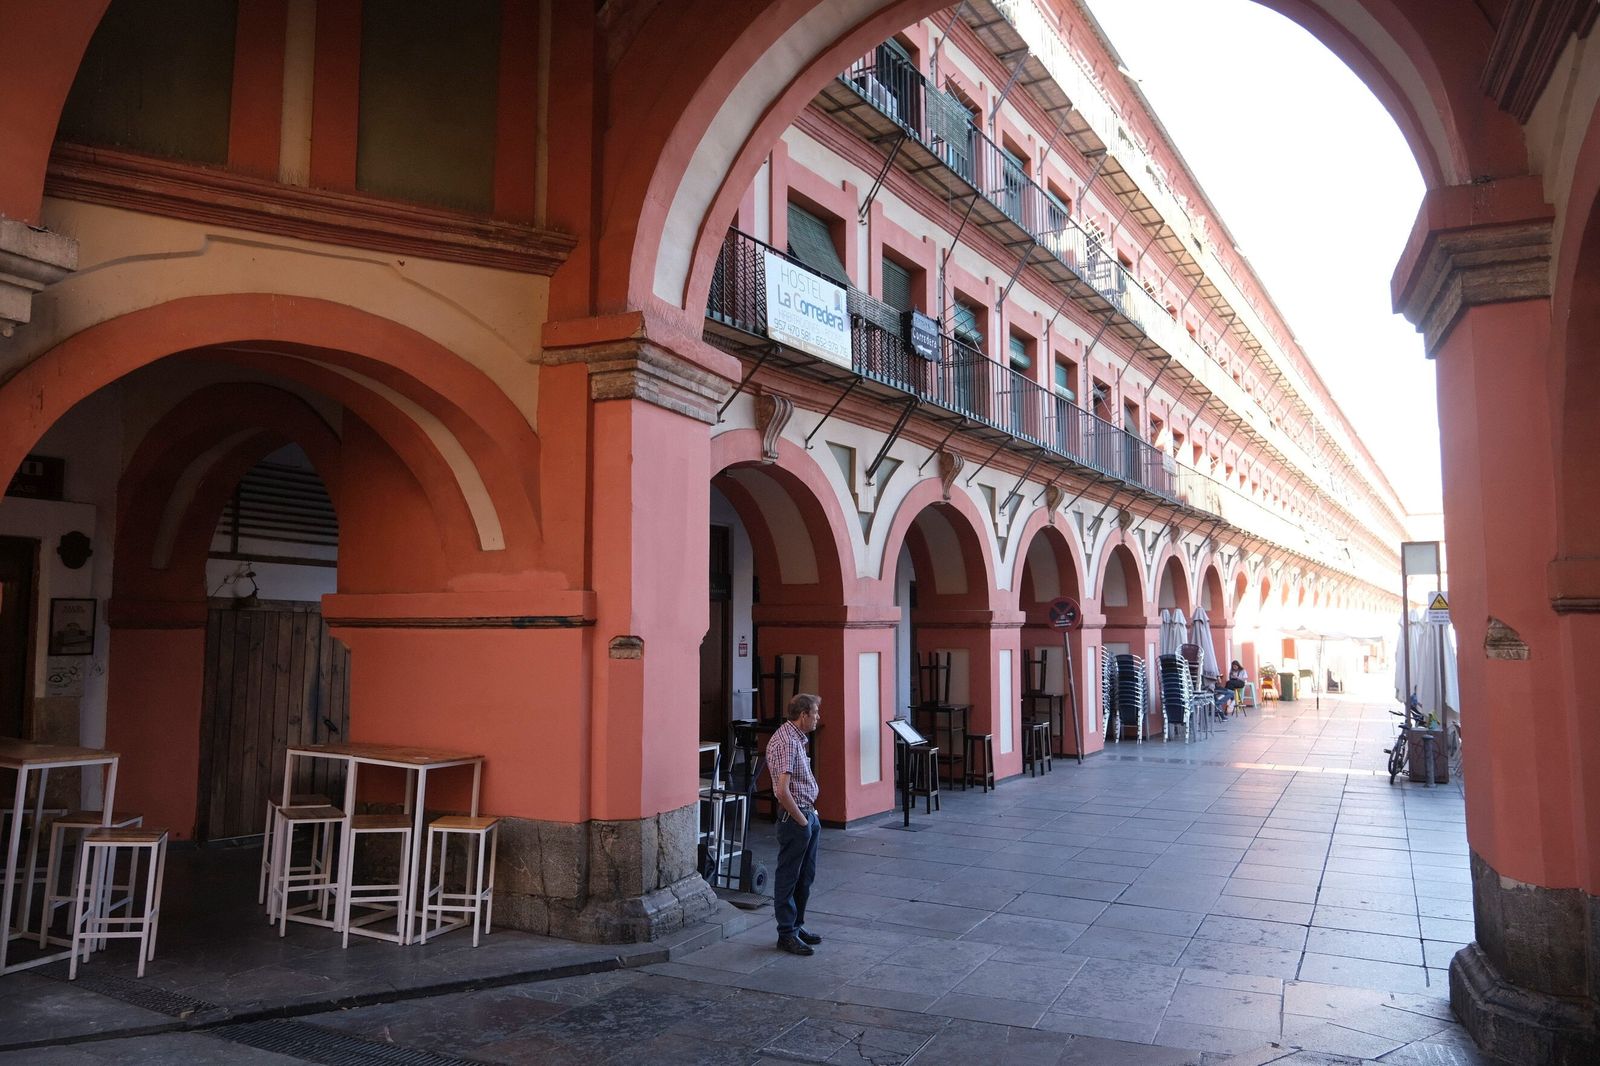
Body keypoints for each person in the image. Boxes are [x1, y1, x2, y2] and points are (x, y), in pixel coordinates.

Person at [768, 692, 823, 956]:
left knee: (805, 877)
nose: (817, 718)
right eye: (815, 713)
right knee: (789, 877)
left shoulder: (796, 739)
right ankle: (786, 933)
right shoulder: (788, 742)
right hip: (795, 818)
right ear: (803, 715)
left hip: (807, 814)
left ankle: (796, 926)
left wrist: (811, 816)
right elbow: (782, 790)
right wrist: (802, 821)